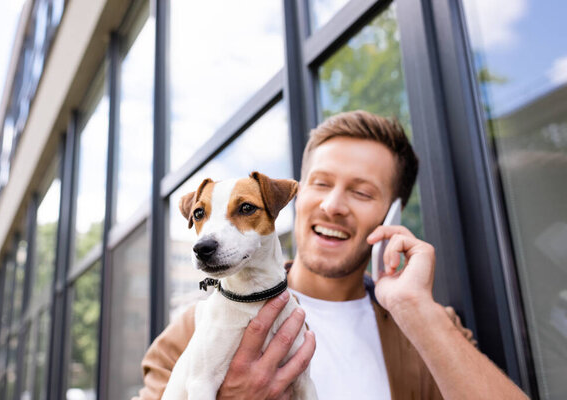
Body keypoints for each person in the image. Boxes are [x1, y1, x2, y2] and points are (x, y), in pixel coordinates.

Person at [133, 111, 528, 399]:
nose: (333, 205)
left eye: (361, 192)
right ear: (298, 195)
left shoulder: (428, 327)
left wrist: (414, 308)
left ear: (393, 213)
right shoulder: (194, 327)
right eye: (320, 183)